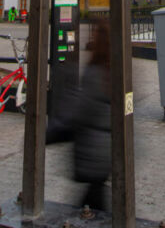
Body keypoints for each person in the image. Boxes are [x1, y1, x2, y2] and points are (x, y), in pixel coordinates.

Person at [47, 20, 111, 211]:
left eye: (92, 36)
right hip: (106, 155)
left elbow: (80, 113)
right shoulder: (118, 71)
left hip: (93, 155)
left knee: (89, 208)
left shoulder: (95, 73)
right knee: (95, 204)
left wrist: (50, 134)